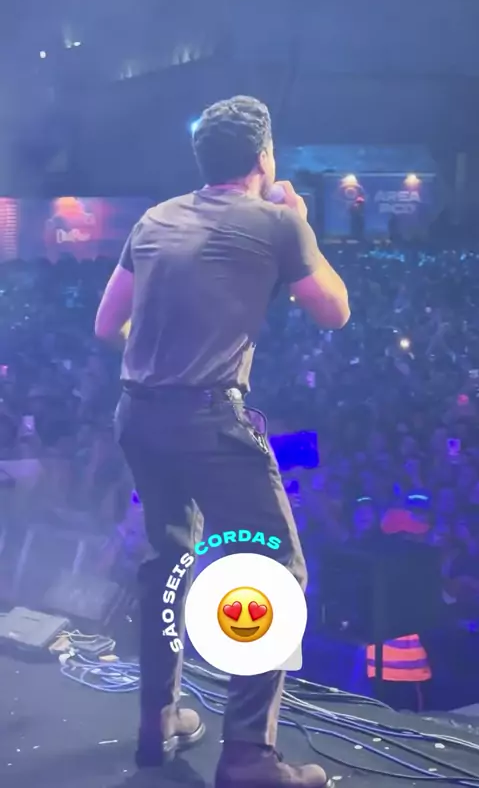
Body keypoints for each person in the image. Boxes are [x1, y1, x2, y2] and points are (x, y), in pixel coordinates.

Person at [95, 95, 350, 788]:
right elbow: (334, 310)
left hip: (137, 414)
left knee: (170, 562)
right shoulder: (277, 221)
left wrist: (164, 363)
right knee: (276, 571)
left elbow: (107, 325)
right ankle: (248, 757)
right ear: (264, 157)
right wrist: (300, 220)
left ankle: (158, 722)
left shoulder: (155, 218)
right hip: (208, 419)